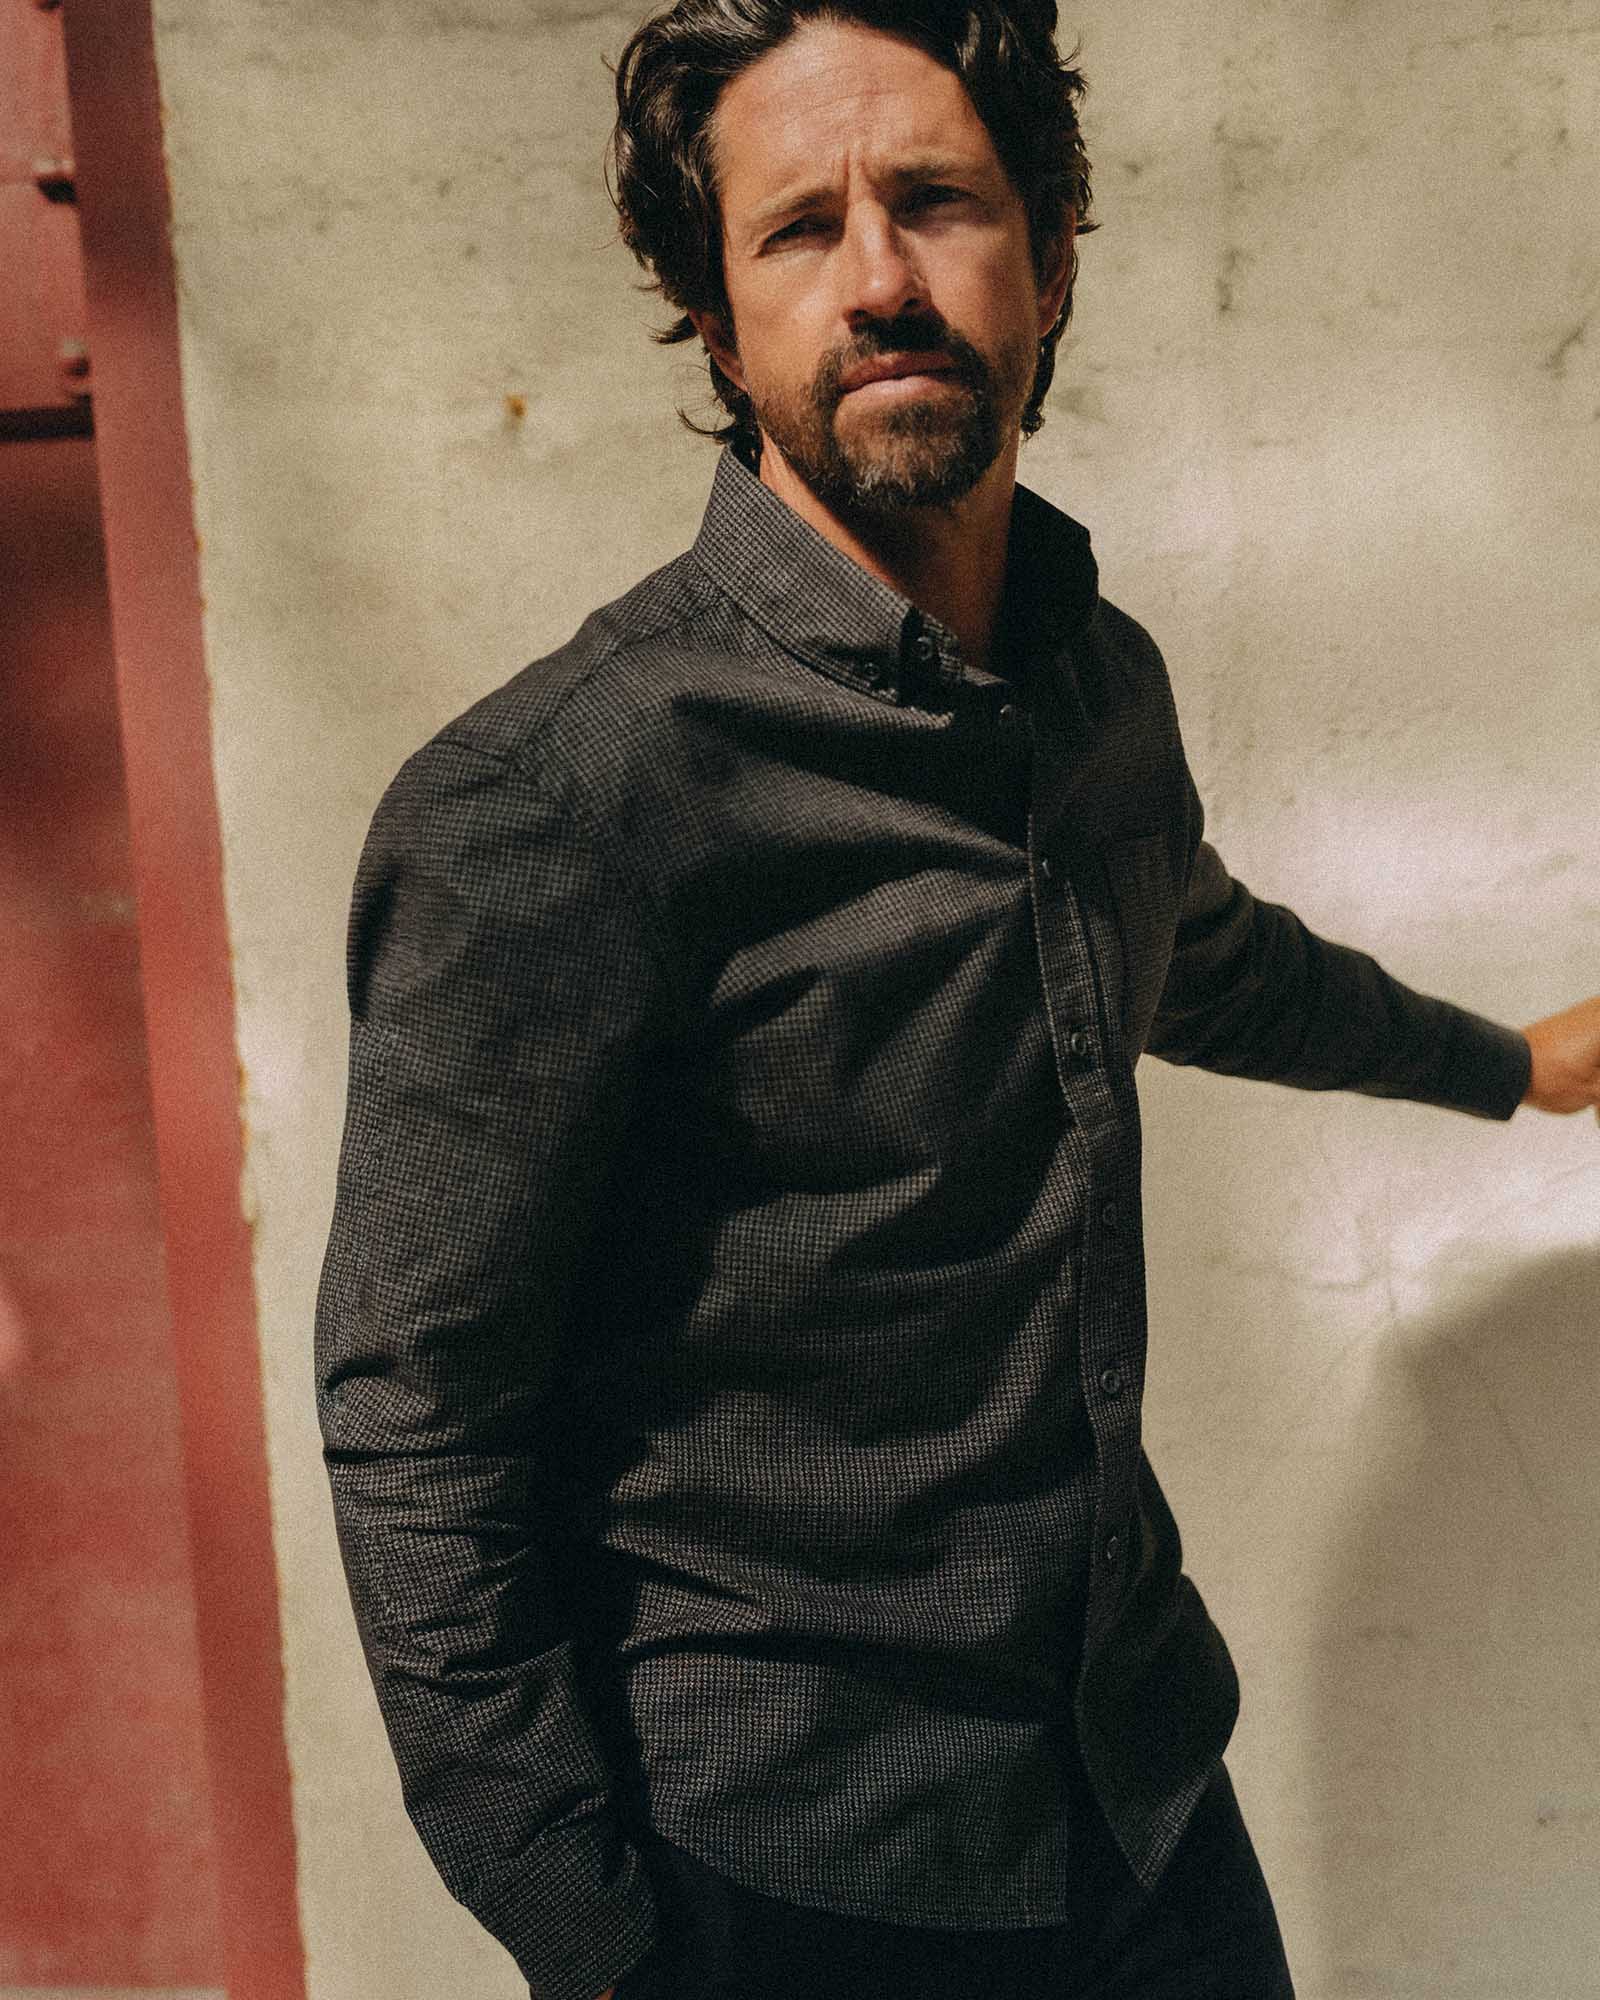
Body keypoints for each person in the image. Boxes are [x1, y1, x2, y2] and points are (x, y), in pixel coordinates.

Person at [313, 3, 1600, 1996]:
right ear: (714, 319)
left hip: (1136, 1779)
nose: (881, 280)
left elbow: (1191, 948)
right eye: (797, 230)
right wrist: (597, 1943)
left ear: (1050, 255)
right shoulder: (559, 801)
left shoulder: (1093, 689)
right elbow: (417, 1421)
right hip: (793, 1866)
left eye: (933, 201)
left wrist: (1509, 1065)